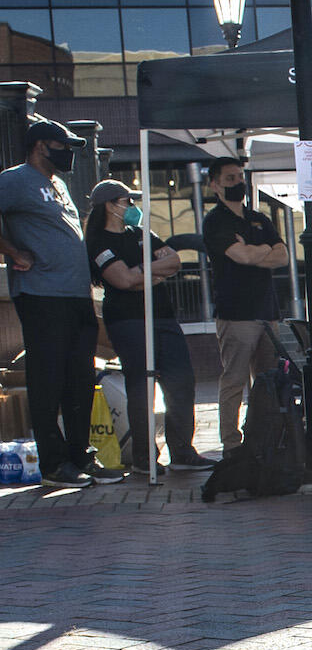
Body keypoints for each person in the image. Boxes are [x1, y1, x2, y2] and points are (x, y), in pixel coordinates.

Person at [0, 120, 118, 487]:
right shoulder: (15, 179)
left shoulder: (58, 183)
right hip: (41, 294)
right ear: (40, 146)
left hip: (75, 295)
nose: (68, 153)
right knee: (48, 379)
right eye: (62, 145)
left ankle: (79, 456)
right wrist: (13, 252)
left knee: (79, 379)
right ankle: (53, 465)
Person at [85, 180, 210, 475]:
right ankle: (144, 456)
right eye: (127, 201)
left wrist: (140, 272)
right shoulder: (99, 242)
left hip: (163, 316)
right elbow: (122, 281)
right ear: (111, 205)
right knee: (142, 386)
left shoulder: (142, 234)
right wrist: (149, 272)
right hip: (128, 320)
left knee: (181, 380)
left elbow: (175, 260)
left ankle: (182, 451)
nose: (132, 207)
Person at [199, 155, 287, 453]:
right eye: (230, 179)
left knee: (268, 382)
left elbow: (283, 255)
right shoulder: (215, 221)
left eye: (240, 177)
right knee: (234, 380)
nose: (238, 183)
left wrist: (254, 249)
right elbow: (243, 257)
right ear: (214, 184)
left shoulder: (259, 218)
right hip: (236, 313)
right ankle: (231, 445)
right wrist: (263, 249)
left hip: (267, 311)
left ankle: (263, 438)